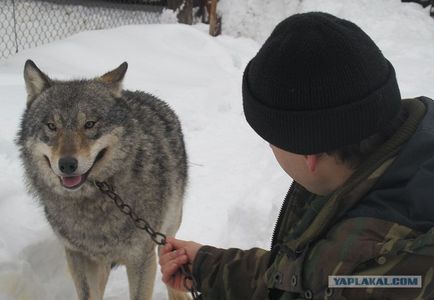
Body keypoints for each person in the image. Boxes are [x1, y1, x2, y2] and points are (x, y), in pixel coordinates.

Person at [159, 12, 434, 299]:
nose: (270, 147)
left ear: (309, 154)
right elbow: (312, 279)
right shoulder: (397, 151)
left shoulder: (383, 267)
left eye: (271, 139)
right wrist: (211, 268)